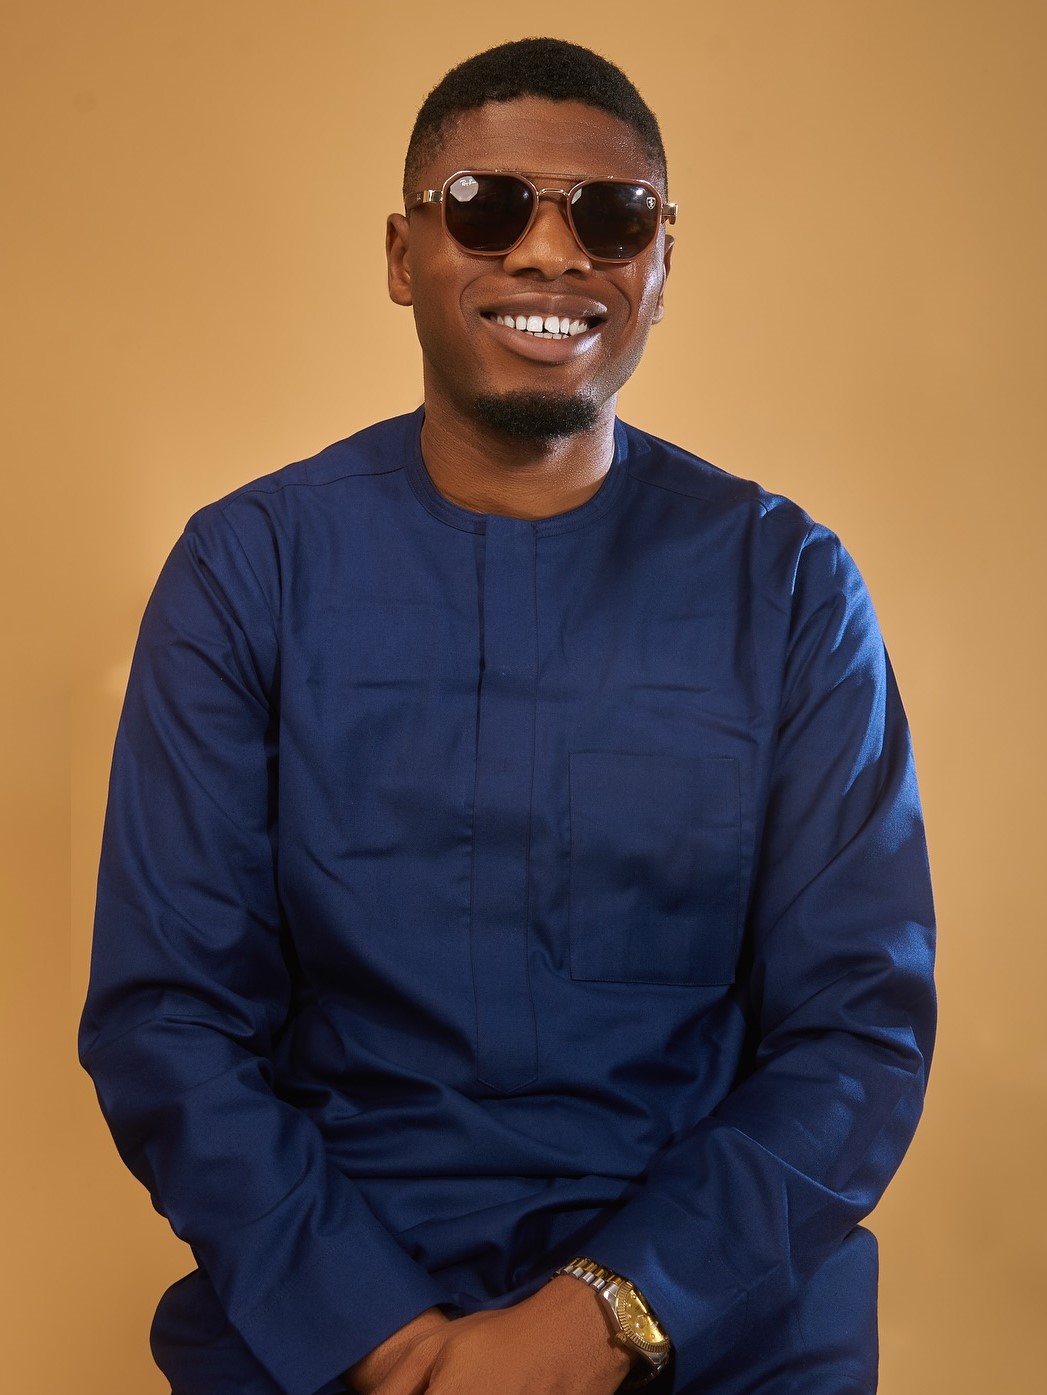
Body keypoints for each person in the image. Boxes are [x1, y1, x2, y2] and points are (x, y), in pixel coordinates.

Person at [80, 36, 936, 1395]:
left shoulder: (789, 585)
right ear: (401, 253)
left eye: (612, 216)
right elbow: (169, 1019)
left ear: (663, 265)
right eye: (485, 206)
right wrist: (386, 1339)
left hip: (712, 1313)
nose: (549, 251)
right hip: (330, 1303)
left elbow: (857, 1033)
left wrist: (603, 1315)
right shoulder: (249, 570)